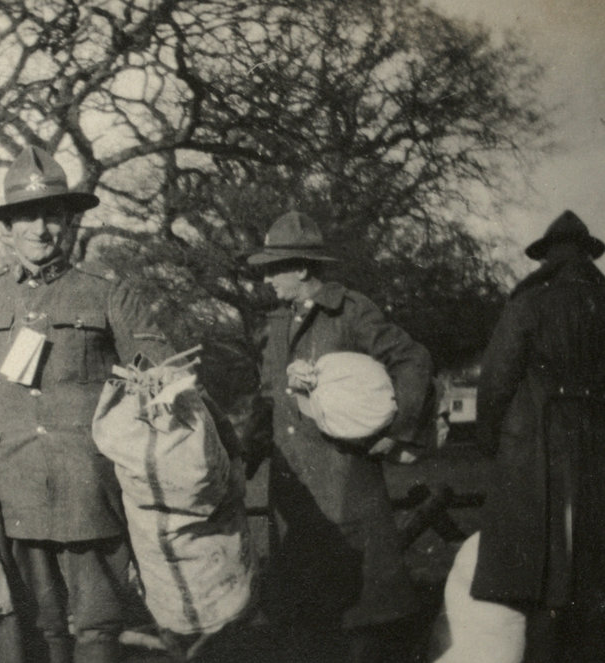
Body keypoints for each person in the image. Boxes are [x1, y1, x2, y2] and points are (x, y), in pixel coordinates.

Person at [0, 145, 173, 663]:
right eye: (27, 217)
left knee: (99, 630)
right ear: (7, 226)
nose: (40, 229)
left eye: (51, 215)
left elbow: (166, 376)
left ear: (69, 221)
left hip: (92, 491)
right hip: (16, 492)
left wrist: (149, 392)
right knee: (39, 631)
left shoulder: (107, 295)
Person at [243, 209, 433, 663]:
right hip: (294, 499)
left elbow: (413, 360)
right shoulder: (275, 326)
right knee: (305, 625)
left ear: (303, 268)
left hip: (344, 490)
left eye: (274, 268)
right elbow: (267, 399)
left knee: (359, 625)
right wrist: (245, 450)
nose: (266, 278)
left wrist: (393, 432)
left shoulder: (350, 311)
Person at [460, 210, 605, 661]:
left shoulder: (527, 304)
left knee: (540, 569)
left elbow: (497, 381)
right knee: (591, 562)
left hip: (538, 446)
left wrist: (492, 443)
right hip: (598, 440)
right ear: (587, 256)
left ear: (546, 257)